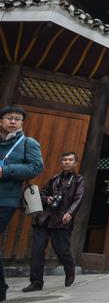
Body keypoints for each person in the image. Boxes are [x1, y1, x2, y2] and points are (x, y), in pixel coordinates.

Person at [0, 105, 44, 301]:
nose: (13, 121)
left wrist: (6, 171)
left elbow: (36, 167)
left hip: (6, 199)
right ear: (1, 121)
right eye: (9, 118)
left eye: (17, 119)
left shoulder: (28, 143)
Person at [23, 151, 83, 292]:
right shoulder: (54, 178)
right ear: (61, 162)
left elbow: (78, 198)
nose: (67, 162)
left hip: (61, 220)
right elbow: (43, 193)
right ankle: (36, 282)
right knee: (37, 250)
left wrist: (70, 213)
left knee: (61, 250)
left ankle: (70, 268)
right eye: (64, 160)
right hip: (44, 218)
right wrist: (47, 199)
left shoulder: (79, 180)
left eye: (70, 160)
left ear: (75, 163)